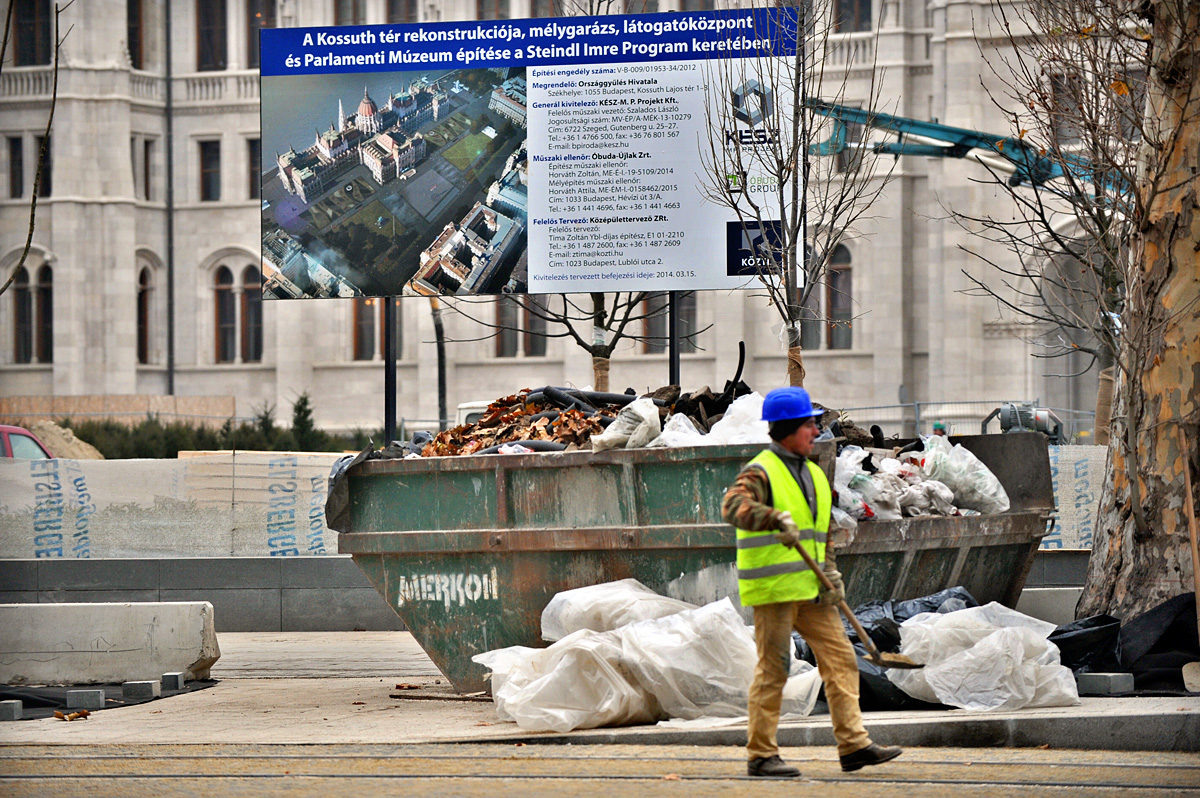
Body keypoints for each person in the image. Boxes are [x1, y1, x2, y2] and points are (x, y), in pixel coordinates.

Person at [721, 386, 902, 778]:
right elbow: (733, 506)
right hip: (775, 591)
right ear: (787, 428)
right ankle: (761, 755)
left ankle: (853, 745)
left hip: (814, 589)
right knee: (775, 670)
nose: (816, 431)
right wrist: (770, 518)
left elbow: (822, 535)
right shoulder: (760, 471)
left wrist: (832, 577)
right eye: (810, 425)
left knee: (841, 660)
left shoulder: (816, 475)